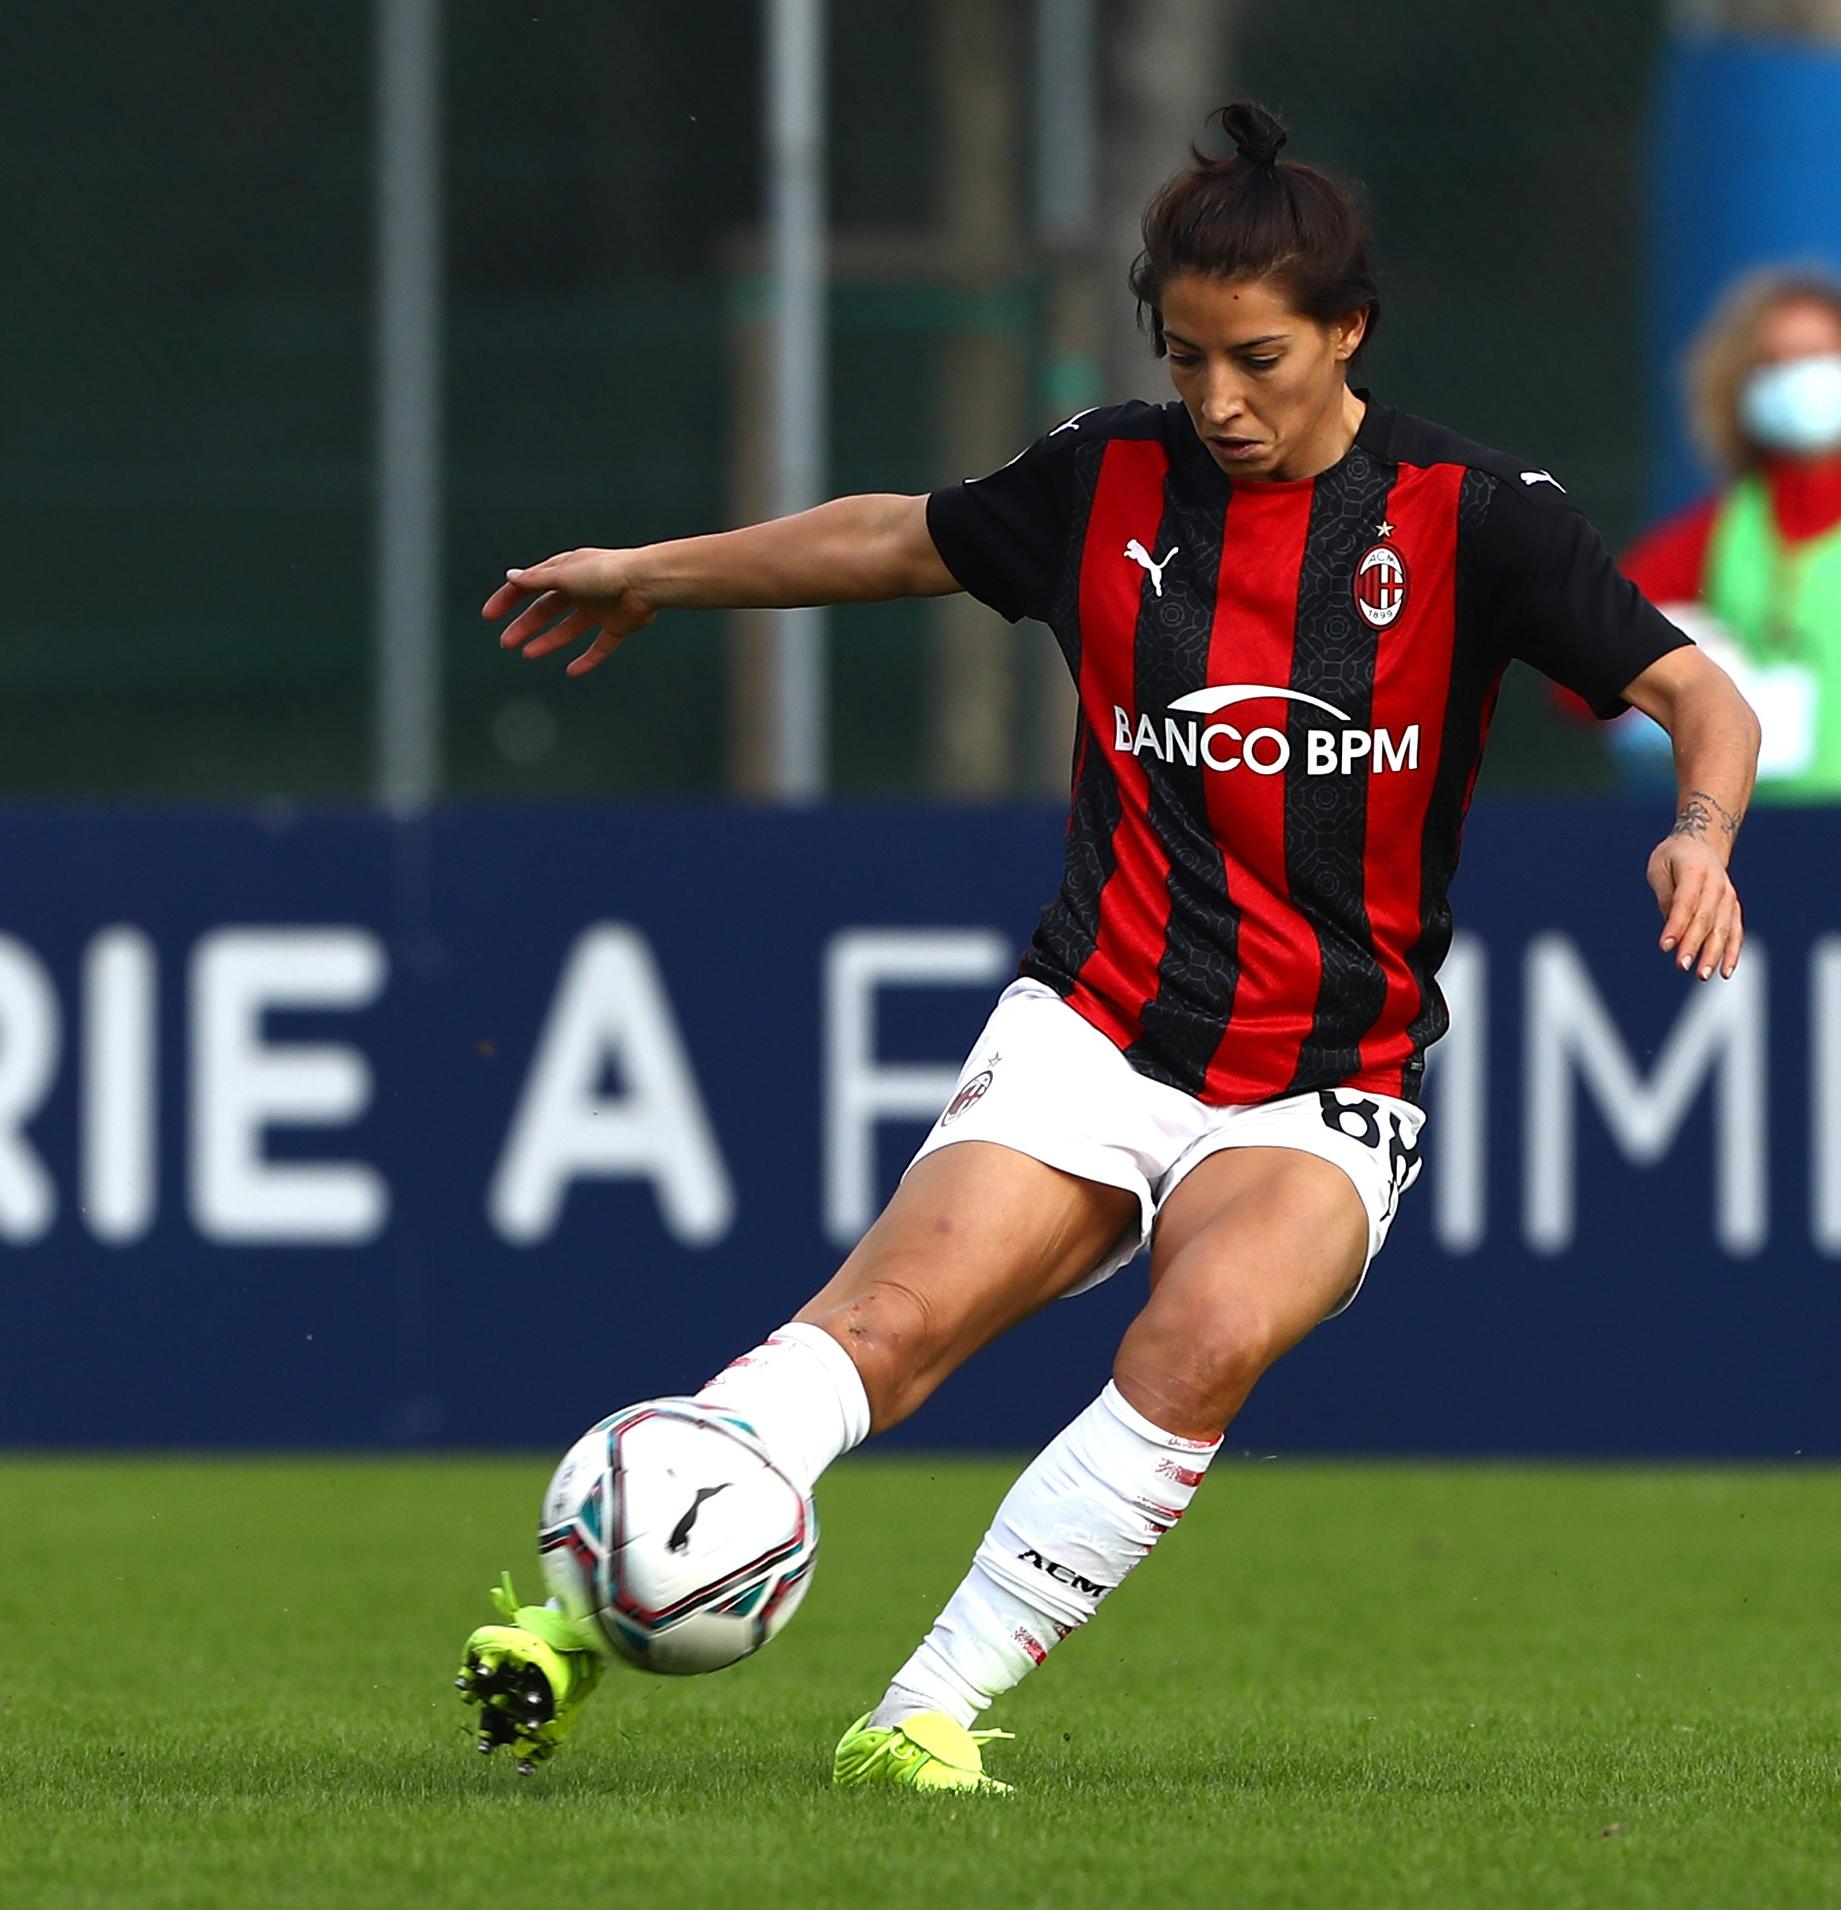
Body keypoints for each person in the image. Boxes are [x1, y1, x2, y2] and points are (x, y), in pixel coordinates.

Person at [453, 100, 1760, 1795]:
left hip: (1324, 1078)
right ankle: (572, 1619)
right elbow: (890, 535)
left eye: (1260, 358)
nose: (1218, 400)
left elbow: (1690, 689)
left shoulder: (1470, 514)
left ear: (1350, 331)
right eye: (1188, 356)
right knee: (890, 1325)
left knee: (1203, 1337)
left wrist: (1701, 828)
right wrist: (657, 572)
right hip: (1098, 1024)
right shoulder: (1104, 480)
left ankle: (921, 1709)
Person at [1616, 267, 1841, 797]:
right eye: (1775, 363)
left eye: (1819, 356)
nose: (1801, 379)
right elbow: (1579, 664)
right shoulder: (1714, 533)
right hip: (1752, 833)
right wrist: (1673, 694)